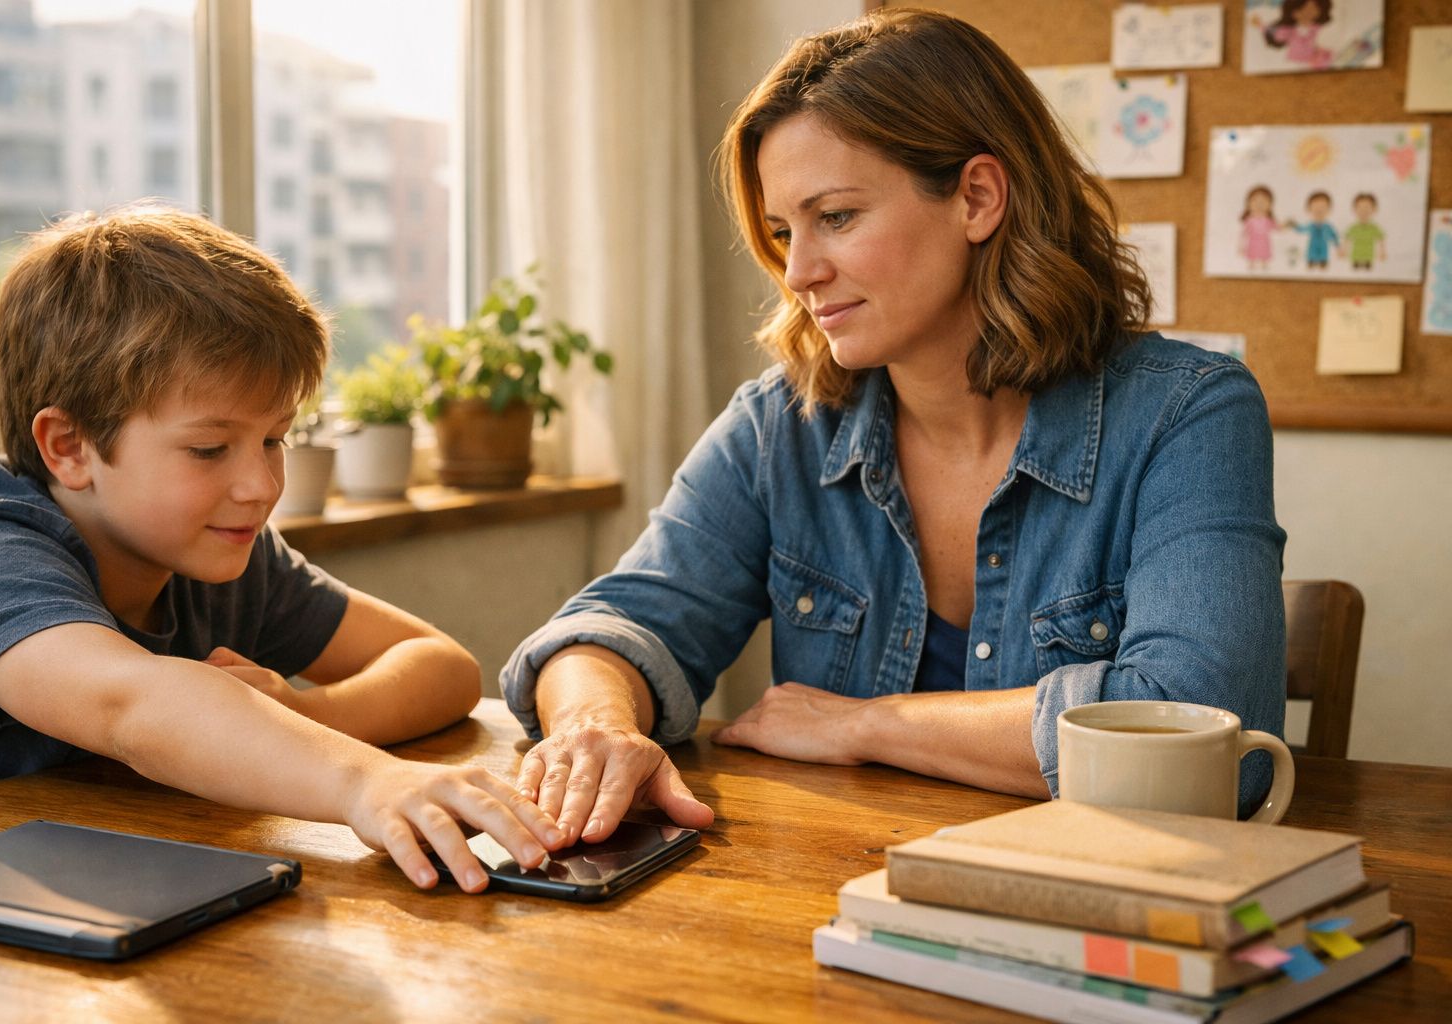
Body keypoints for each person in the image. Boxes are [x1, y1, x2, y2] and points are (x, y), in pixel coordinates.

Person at [500, 8, 1286, 846]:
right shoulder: (779, 428)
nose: (798, 271)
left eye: (836, 217)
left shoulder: (1188, 413)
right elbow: (614, 627)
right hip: (837, 895)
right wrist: (596, 723)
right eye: (783, 231)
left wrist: (865, 724)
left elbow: (1209, 739)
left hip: (1103, 898)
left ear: (977, 198)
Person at [0, 205, 563, 892]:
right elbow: (133, 707)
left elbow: (443, 667)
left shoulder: (216, 554)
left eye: (274, 439)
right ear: (70, 447)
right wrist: (365, 781)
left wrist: (303, 716)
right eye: (209, 449)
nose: (261, 486)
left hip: (118, 889)